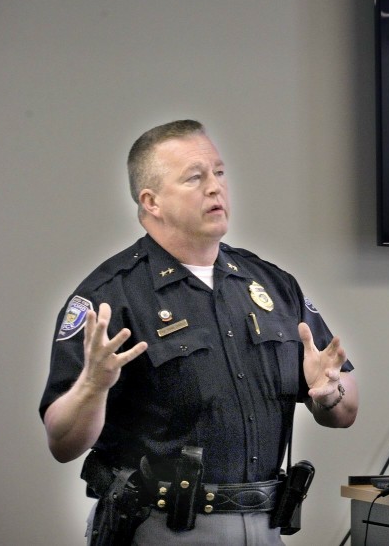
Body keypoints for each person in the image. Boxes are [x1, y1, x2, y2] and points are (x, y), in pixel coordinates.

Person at [39, 120, 358, 544]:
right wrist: (93, 387)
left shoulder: (272, 285)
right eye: (194, 177)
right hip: (162, 528)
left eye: (219, 173)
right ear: (151, 201)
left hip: (265, 527)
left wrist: (329, 394)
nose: (215, 187)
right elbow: (62, 442)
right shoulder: (109, 297)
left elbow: (346, 408)